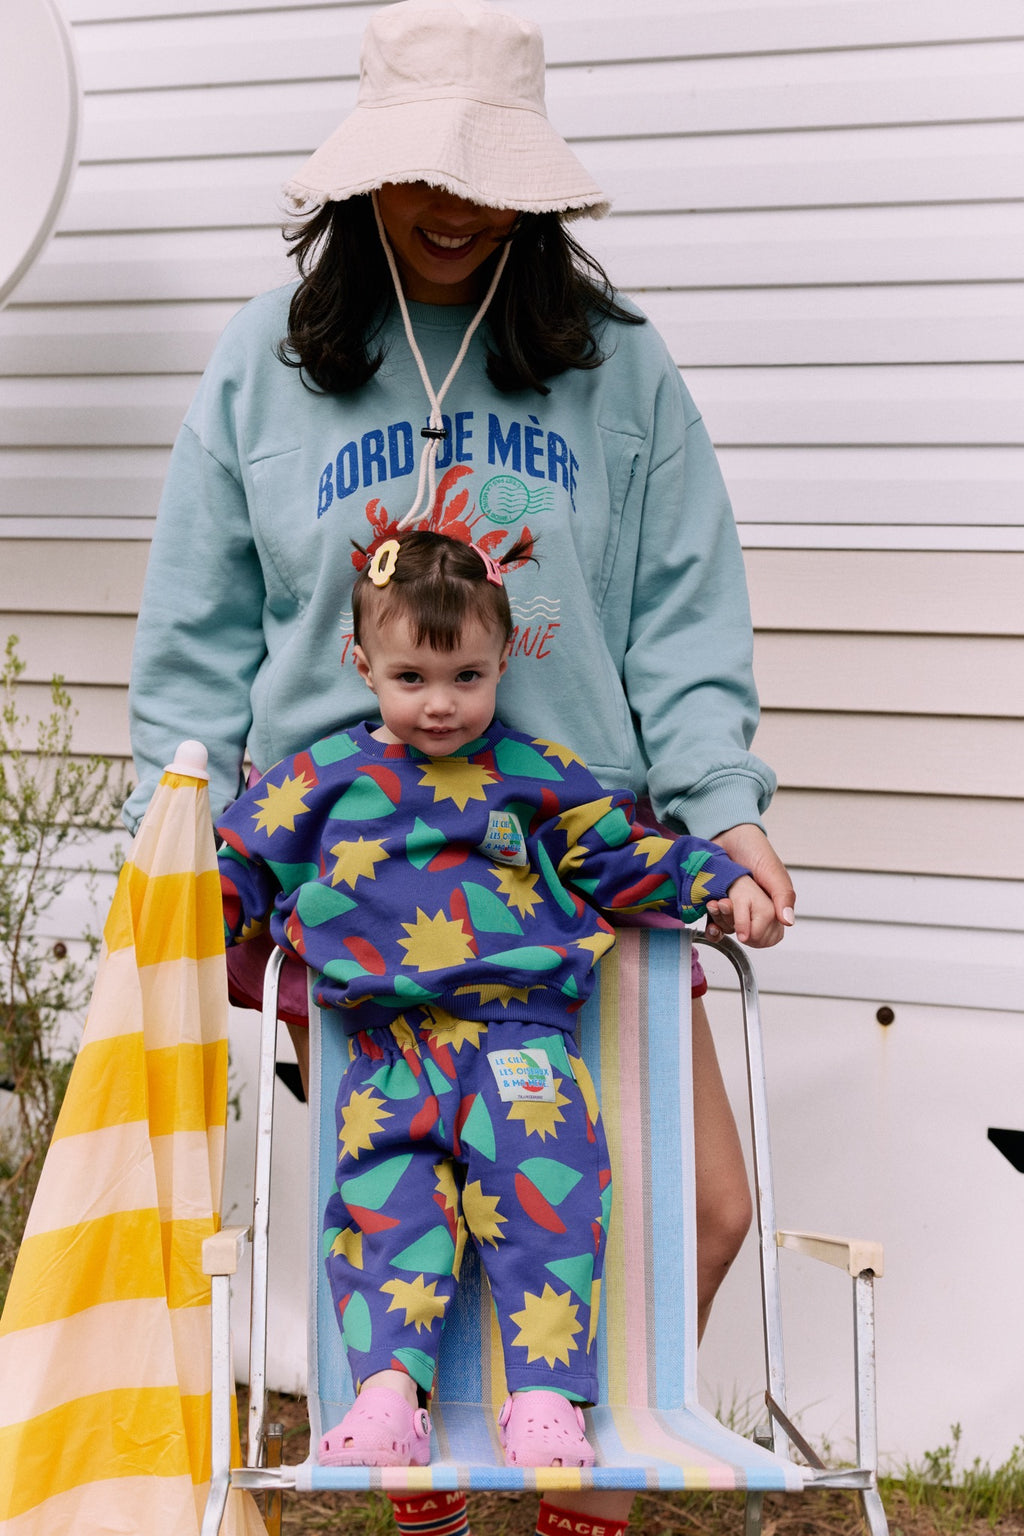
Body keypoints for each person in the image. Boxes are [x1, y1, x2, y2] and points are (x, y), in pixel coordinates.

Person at [125, 1, 796, 1530]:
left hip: (579, 860)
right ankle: (422, 1486)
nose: (449, 203)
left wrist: (726, 820)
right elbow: (193, 642)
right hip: (356, 871)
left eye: (484, 174)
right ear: (361, 179)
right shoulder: (266, 365)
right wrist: (174, 858)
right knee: (409, 1212)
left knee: (698, 1208)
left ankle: (587, 1496)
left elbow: (685, 621)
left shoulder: (616, 369)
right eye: (421, 171)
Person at [216, 530, 774, 1476]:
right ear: (363, 665)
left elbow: (620, 853)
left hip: (525, 1047)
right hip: (388, 1053)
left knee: (547, 1203)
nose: (441, 704)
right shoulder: (315, 784)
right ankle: (390, 1396)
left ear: (504, 660)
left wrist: (720, 881)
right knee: (386, 1213)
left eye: (468, 676)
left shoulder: (536, 777)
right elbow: (237, 870)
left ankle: (547, 1400)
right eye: (412, 677)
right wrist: (184, 914)